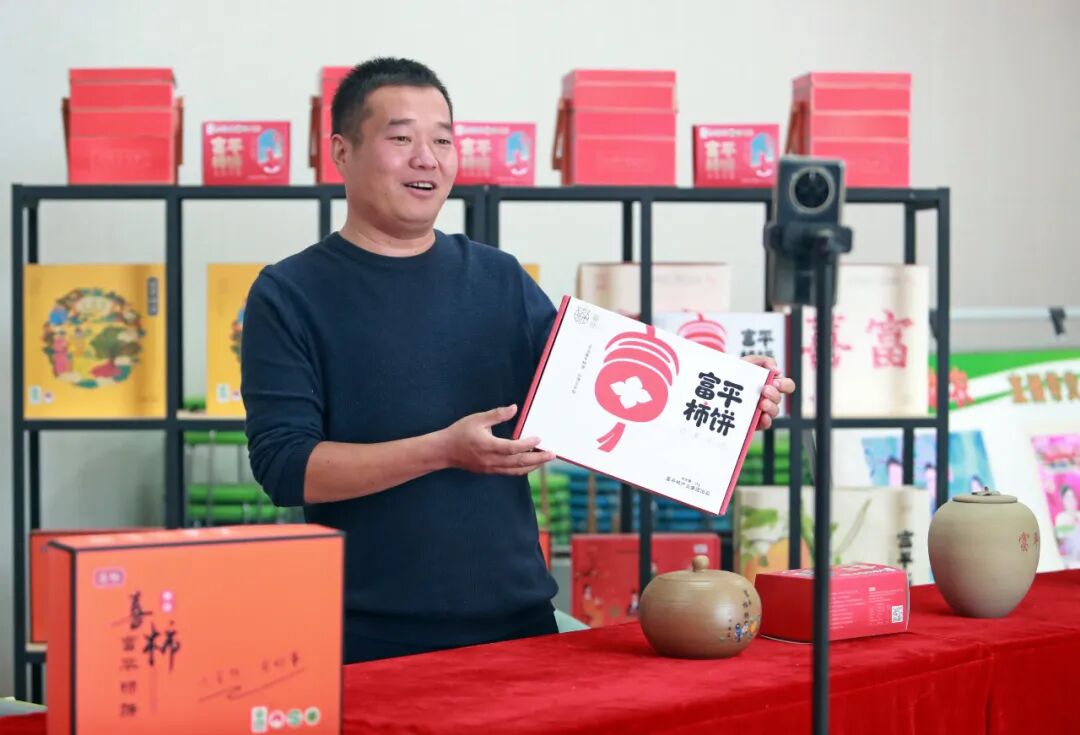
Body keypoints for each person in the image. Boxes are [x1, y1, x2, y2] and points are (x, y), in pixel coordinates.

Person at [241, 57, 796, 664]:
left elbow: (606, 396)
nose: (427, 158)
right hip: (370, 638)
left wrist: (732, 398)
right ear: (342, 153)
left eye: (442, 140)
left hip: (520, 623)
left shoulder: (497, 278)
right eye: (401, 138)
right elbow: (286, 467)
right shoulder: (289, 293)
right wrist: (443, 451)